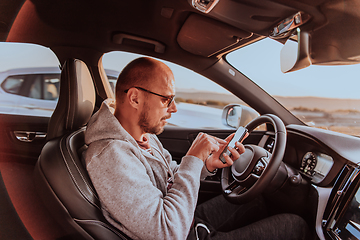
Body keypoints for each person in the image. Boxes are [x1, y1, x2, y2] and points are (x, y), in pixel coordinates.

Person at [84, 57, 310, 240]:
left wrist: (205, 165)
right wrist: (192, 159)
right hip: (179, 231)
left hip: (188, 220)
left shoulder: (142, 135)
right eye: (166, 99)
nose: (173, 108)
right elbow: (167, 233)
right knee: (294, 226)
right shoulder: (111, 156)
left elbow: (171, 179)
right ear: (134, 98)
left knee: (255, 200)